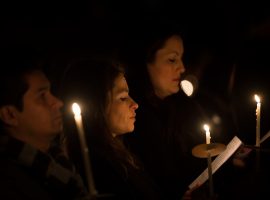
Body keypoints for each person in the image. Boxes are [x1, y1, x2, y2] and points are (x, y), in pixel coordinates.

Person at [118, 21, 212, 199]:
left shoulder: (185, 106)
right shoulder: (131, 118)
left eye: (181, 58)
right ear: (144, 63)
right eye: (172, 59)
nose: (182, 68)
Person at [60, 58, 165, 200]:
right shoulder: (98, 168)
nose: (135, 104)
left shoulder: (121, 152)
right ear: (96, 106)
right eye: (123, 98)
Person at [0, 49, 89, 200]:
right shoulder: (9, 184)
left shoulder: (59, 167)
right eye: (42, 96)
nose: (58, 103)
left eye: (51, 92)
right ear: (10, 115)